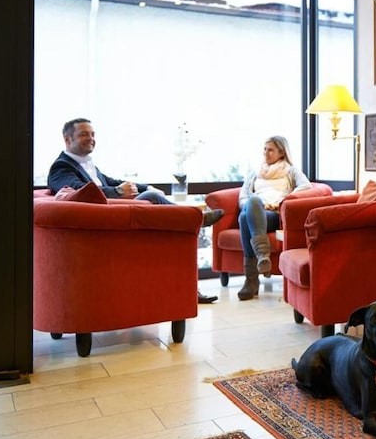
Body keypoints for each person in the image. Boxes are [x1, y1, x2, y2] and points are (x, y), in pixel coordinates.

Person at [48, 117, 224, 304]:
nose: (91, 138)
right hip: (106, 225)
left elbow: (112, 182)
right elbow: (80, 191)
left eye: (93, 134)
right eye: (84, 134)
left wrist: (145, 187)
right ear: (68, 139)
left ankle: (189, 288)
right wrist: (117, 192)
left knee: (174, 231)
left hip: (115, 217)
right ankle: (195, 218)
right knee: (153, 198)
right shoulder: (61, 167)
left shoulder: (88, 165)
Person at [237, 135, 312, 300]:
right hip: (256, 210)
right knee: (250, 207)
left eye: (270, 150)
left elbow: (306, 186)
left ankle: (251, 280)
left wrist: (283, 201)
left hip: (273, 215)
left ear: (282, 152)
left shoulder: (291, 171)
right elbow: (243, 195)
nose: (266, 153)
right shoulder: (256, 173)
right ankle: (262, 257)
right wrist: (249, 206)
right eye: (264, 149)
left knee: (244, 219)